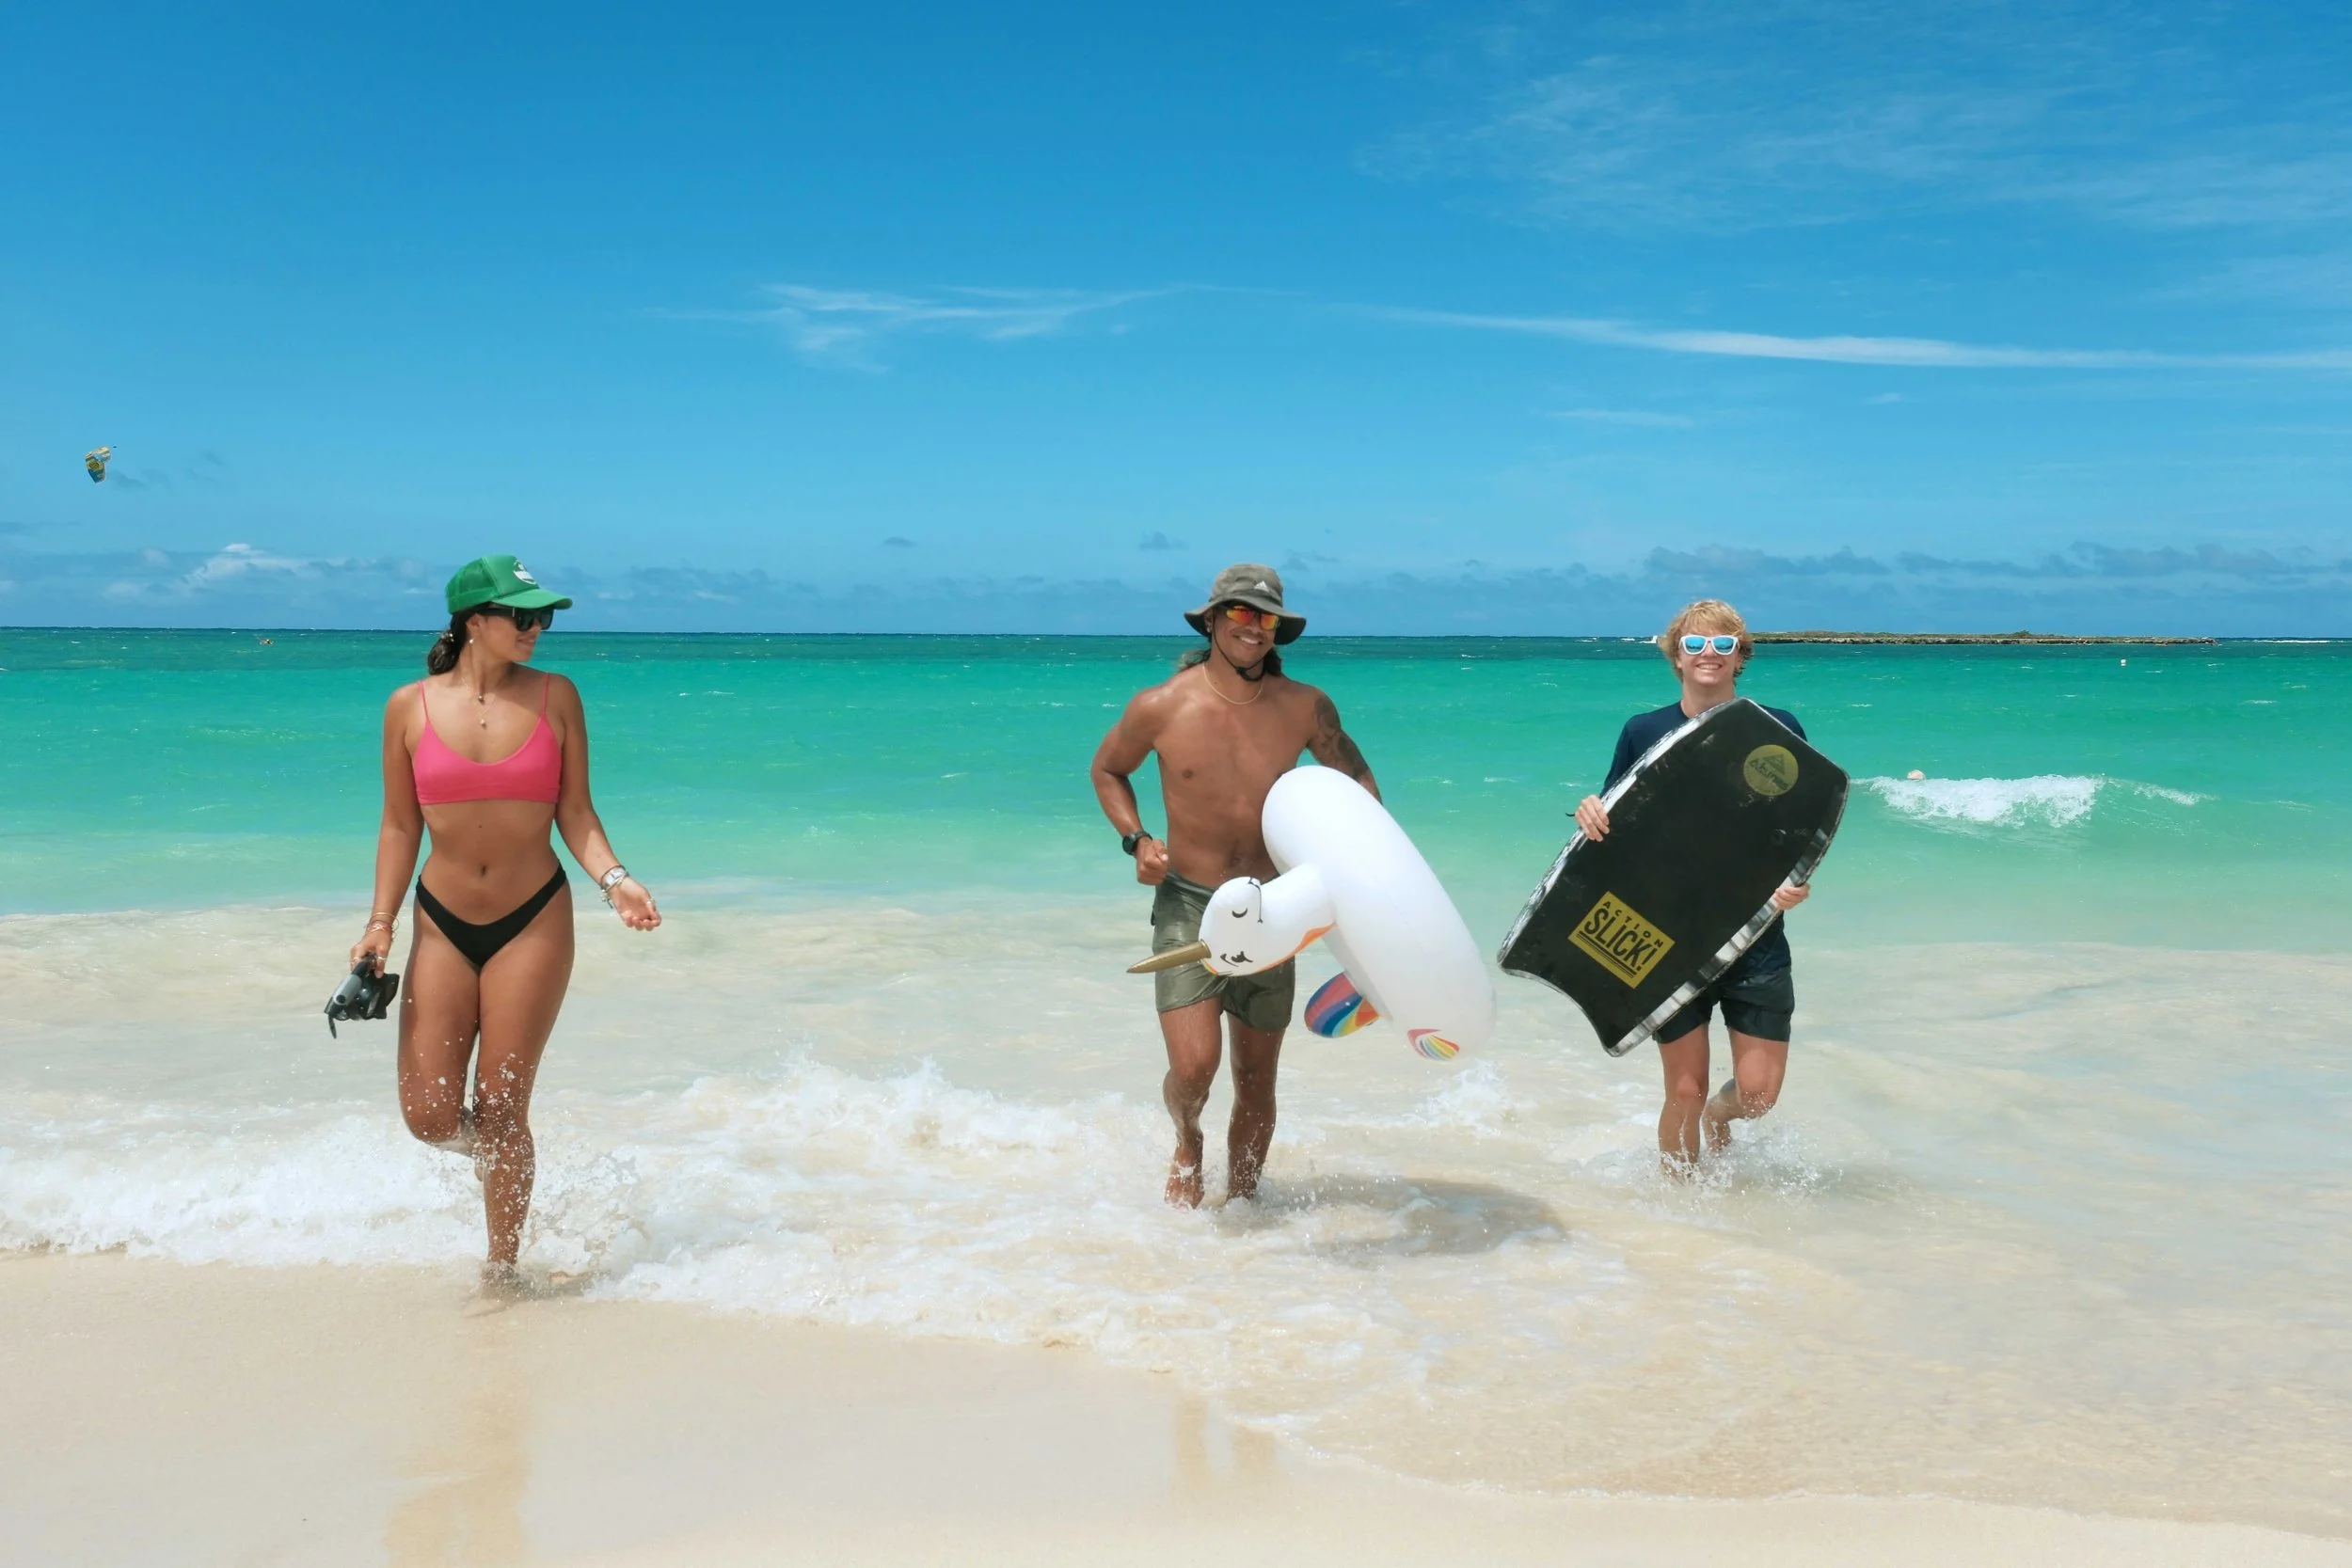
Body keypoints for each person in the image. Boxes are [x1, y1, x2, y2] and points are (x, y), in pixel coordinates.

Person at [349, 555, 661, 1287]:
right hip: (440, 922)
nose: (537, 628)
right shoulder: (408, 706)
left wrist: (616, 879)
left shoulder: (557, 697)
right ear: (473, 621)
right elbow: (400, 827)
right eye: (522, 615)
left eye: (543, 615)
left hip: (533, 917)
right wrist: (379, 923)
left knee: (501, 1100)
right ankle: (500, 1155)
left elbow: (575, 811)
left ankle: (502, 1267)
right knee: (429, 1115)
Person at [1091, 564, 1380, 1207]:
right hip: (1189, 903)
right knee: (1194, 1070)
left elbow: (1356, 776)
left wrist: (1363, 869)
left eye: (1266, 618)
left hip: (1273, 910)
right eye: (1242, 615)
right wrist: (1136, 839)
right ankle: (1187, 1137)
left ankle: (1245, 1212)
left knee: (1257, 1079)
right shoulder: (1160, 705)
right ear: (1214, 620)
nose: (1254, 628)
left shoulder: (1304, 706)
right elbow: (1108, 769)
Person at [1574, 599, 1812, 1172]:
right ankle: (1677, 1214)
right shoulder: (1644, 731)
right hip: (1668, 935)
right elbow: (1617, 822)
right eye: (1696, 644)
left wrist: (1797, 883)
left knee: (1756, 1097)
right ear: (1676, 656)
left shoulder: (1775, 726)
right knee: (1684, 1091)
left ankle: (1718, 1119)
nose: (1710, 654)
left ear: (1740, 657)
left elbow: (1802, 823)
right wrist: (1588, 811)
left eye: (1724, 644)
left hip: (1755, 934)